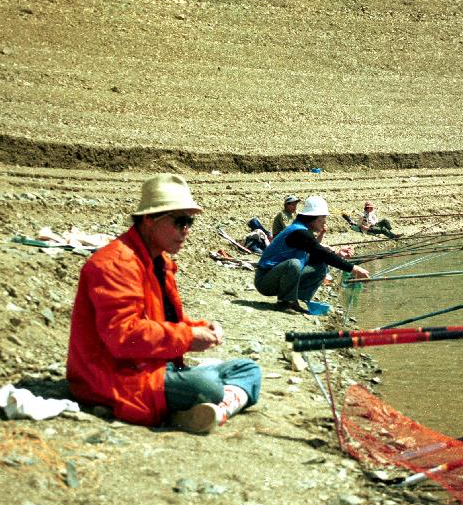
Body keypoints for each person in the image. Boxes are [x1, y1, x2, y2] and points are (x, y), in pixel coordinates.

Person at [67, 174, 262, 434]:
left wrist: (200, 328)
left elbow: (162, 323)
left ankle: (209, 411)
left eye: (189, 222)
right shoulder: (114, 265)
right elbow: (122, 337)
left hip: (151, 365)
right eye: (180, 221)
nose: (187, 230)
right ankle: (207, 407)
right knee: (207, 386)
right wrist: (188, 336)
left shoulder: (158, 262)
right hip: (112, 376)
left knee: (248, 369)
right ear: (149, 219)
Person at [255, 195, 370, 313]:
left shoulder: (304, 231)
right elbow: (320, 251)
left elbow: (317, 253)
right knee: (293, 264)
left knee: (320, 266)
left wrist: (338, 254)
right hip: (265, 281)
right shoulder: (298, 232)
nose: (325, 221)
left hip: (281, 277)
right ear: (313, 217)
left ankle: (297, 300)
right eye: (323, 217)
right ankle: (285, 303)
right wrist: (353, 268)